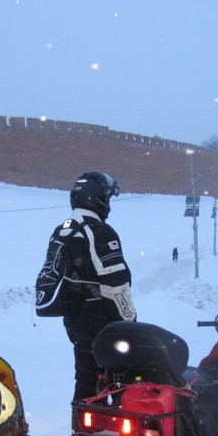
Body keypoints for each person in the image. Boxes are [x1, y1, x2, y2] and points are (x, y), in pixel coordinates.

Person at [41, 171, 136, 402]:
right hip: (100, 318)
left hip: (75, 318)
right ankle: (125, 427)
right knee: (124, 375)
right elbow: (115, 284)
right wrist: (130, 321)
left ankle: (83, 429)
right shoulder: (99, 230)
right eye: (108, 199)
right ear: (99, 199)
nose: (109, 205)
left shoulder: (62, 229)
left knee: (87, 376)